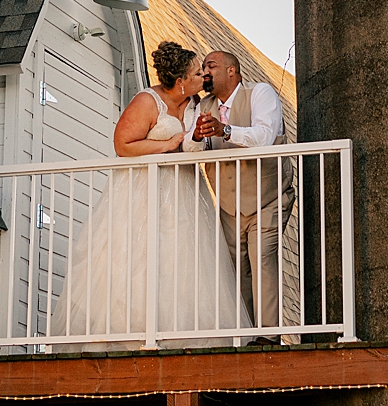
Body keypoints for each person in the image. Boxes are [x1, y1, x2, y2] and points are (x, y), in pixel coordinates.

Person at [50, 41, 249, 340]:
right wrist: (167, 144)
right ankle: (128, 332)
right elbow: (123, 146)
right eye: (197, 73)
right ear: (181, 82)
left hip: (185, 189)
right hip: (143, 188)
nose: (203, 77)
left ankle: (182, 335)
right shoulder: (148, 101)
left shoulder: (197, 104)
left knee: (184, 259)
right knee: (136, 256)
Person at [186, 49, 293, 332]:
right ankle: (246, 335)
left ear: (232, 71)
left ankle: (269, 336)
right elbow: (192, 149)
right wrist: (197, 136)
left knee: (262, 260)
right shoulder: (201, 106)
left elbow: (264, 137)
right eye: (203, 67)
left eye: (211, 66)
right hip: (228, 204)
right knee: (235, 270)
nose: (205, 72)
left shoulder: (260, 93)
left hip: (267, 197)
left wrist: (226, 130)